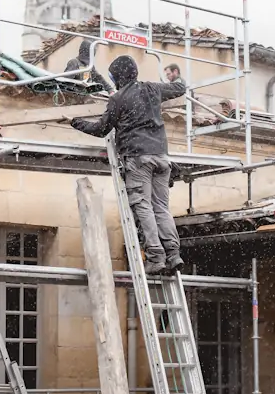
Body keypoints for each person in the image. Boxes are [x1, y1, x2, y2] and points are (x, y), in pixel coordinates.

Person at [68, 54, 186, 275]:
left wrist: (77, 123)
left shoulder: (118, 99)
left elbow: (101, 129)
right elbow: (179, 88)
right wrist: (178, 77)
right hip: (162, 157)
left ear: (118, 78)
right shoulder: (152, 89)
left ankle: (155, 256)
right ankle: (173, 253)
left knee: (143, 207)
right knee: (161, 207)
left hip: (138, 159)